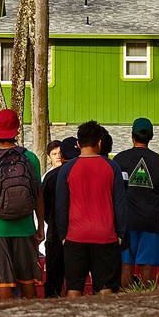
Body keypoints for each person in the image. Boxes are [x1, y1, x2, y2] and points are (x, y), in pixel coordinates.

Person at [0, 107, 43, 299]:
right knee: (28, 280)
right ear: (17, 130)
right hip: (25, 228)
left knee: (3, 282)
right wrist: (41, 227)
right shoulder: (30, 158)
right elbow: (38, 195)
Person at [56, 121, 126, 296]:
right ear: (100, 143)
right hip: (105, 235)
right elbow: (119, 204)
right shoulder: (112, 167)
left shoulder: (66, 170)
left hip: (75, 235)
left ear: (78, 143)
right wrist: (120, 234)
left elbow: (61, 205)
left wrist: (63, 234)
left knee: (74, 287)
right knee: (106, 288)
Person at [111, 117, 159, 287]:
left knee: (126, 267)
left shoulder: (120, 160)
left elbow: (118, 191)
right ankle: (149, 304)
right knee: (147, 269)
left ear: (132, 136)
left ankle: (126, 305)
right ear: (151, 137)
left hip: (127, 222)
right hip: (151, 221)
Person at [41, 136, 76, 297]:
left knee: (54, 280)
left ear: (62, 155)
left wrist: (53, 221)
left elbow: (44, 208)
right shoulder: (82, 173)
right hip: (79, 233)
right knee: (77, 281)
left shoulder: (50, 177)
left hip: (55, 233)